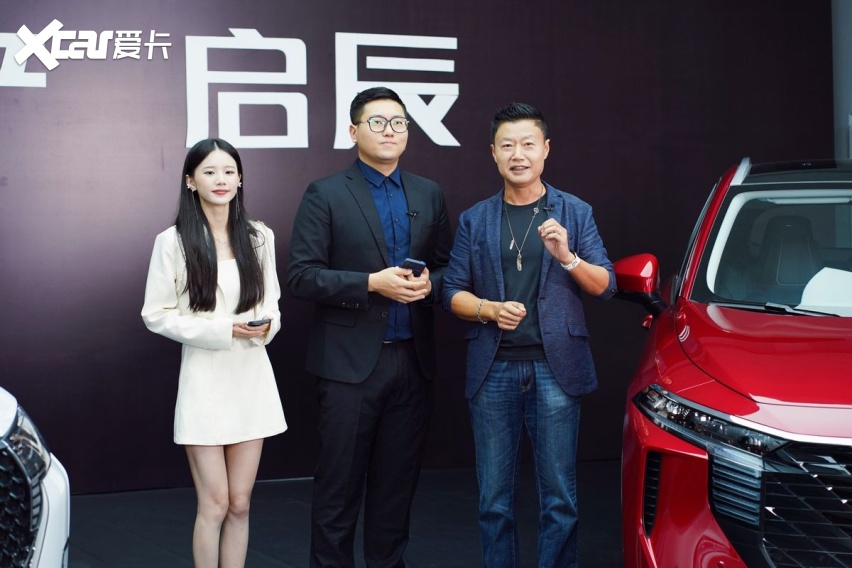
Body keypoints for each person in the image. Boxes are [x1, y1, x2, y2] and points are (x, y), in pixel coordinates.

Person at [441, 103, 616, 568]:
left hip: (556, 370)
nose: (518, 154)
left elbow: (606, 286)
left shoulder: (574, 211)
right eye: (507, 145)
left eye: (527, 144)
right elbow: (452, 292)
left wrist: (568, 257)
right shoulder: (476, 219)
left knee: (559, 498)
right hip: (493, 369)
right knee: (493, 499)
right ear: (493, 153)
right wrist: (489, 309)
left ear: (545, 149)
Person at [287, 86, 453, 568]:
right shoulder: (326, 193)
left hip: (412, 361)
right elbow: (301, 275)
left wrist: (431, 286)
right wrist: (370, 283)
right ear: (353, 130)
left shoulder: (427, 192)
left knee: (396, 488)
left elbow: (448, 267)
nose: (390, 131)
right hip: (349, 366)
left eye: (399, 122)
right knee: (338, 487)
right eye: (377, 122)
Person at [141, 138, 287, 568]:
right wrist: (223, 329)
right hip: (204, 381)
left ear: (240, 178)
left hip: (251, 378)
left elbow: (273, 305)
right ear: (190, 181)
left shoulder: (259, 236)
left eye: (228, 171)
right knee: (216, 503)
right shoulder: (172, 242)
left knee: (240, 503)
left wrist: (264, 326)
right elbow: (156, 314)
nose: (220, 180)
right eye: (209, 172)